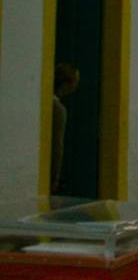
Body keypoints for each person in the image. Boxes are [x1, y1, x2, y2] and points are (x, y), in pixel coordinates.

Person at [51, 63, 80, 194]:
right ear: (66, 85)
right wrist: (54, 178)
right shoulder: (58, 109)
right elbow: (57, 145)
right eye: (75, 82)